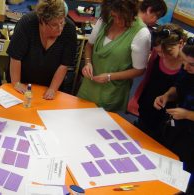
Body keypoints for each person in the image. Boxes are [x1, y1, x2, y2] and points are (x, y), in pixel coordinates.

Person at [77, 0, 151, 112]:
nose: (117, 21)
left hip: (112, 92)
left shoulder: (141, 34)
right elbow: (89, 46)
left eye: (121, 17)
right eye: (114, 16)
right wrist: (88, 62)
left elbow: (139, 70)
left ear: (132, 12)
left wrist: (110, 76)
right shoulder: (105, 20)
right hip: (89, 86)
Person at [7, 0, 77, 100]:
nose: (60, 28)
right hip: (23, 81)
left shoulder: (69, 29)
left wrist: (52, 89)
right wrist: (16, 83)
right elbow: (15, 57)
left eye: (62, 22)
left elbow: (64, 64)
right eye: (54, 25)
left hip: (50, 84)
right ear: (42, 21)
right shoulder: (27, 23)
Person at [154, 38, 194, 194]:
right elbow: (178, 88)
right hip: (178, 131)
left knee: (185, 180)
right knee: (169, 167)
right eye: (184, 62)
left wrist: (187, 114)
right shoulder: (187, 70)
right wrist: (166, 96)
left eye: (191, 65)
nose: (185, 67)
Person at [134, 24, 186, 140]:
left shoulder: (188, 64)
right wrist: (136, 98)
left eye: (169, 53)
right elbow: (148, 78)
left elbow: (181, 91)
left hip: (169, 116)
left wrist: (167, 96)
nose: (164, 57)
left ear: (181, 43)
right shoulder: (157, 54)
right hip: (148, 106)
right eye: (159, 53)